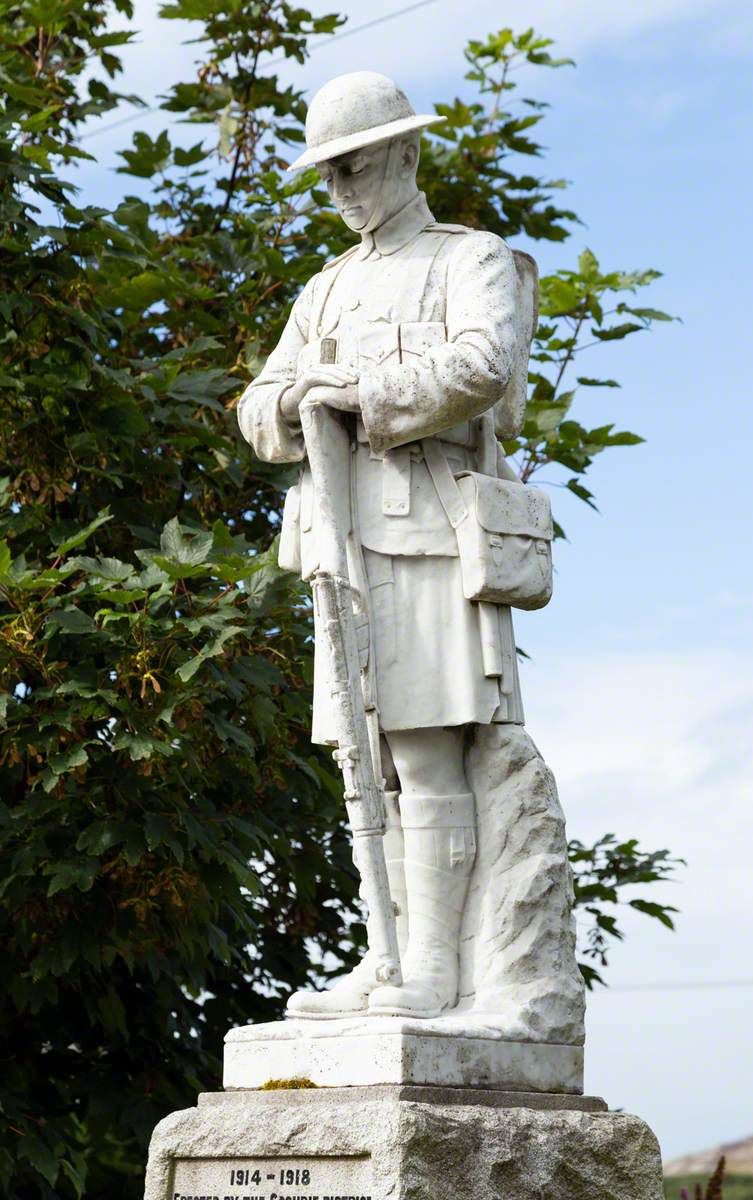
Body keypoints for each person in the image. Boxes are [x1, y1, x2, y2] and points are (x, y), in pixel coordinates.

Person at [237, 71, 532, 1020]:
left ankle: (438, 971)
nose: (341, 191)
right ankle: (387, 957)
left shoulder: (469, 257)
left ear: (405, 154)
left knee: (425, 751)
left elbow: (485, 363)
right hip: (338, 541)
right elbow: (256, 408)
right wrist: (293, 399)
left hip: (425, 538)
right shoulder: (323, 290)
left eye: (355, 168)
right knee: (365, 756)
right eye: (328, 176)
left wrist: (359, 393)